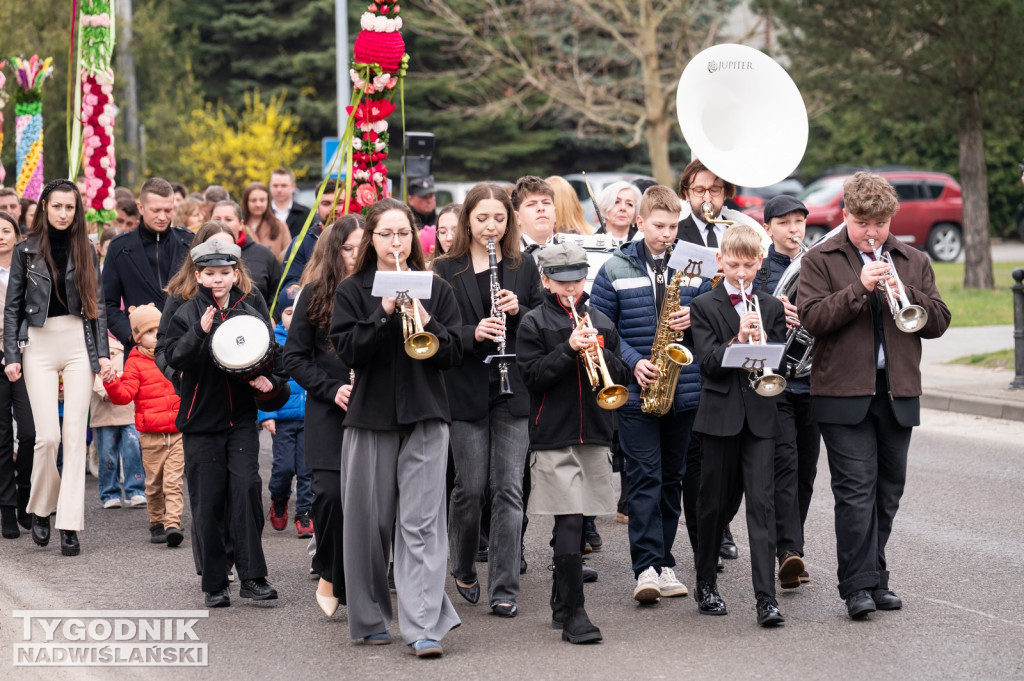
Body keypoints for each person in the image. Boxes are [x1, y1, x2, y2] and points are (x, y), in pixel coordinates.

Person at [797, 172, 950, 620]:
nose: (872, 231)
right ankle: (858, 586)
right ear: (846, 216)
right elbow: (811, 319)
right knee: (855, 492)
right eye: (864, 222)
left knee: (888, 492)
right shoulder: (821, 258)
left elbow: (938, 321)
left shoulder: (912, 258)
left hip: (897, 392)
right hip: (843, 395)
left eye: (880, 223)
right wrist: (858, 289)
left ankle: (875, 574)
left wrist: (905, 290)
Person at [330, 198, 461, 656]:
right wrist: (382, 312)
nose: (395, 242)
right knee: (368, 524)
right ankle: (368, 616)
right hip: (370, 417)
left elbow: (452, 354)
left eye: (403, 233)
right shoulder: (351, 290)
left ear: (413, 237)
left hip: (426, 414)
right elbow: (348, 352)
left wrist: (426, 320)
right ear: (371, 239)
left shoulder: (436, 288)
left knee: (422, 524)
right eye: (385, 234)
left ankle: (423, 624)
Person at [589, 185, 710, 603]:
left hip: (684, 391)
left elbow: (715, 322)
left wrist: (697, 316)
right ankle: (645, 569)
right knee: (644, 479)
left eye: (673, 226)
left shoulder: (693, 264)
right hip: (638, 392)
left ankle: (665, 562)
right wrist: (632, 361)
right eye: (659, 226)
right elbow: (601, 327)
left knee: (672, 481)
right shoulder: (614, 267)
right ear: (639, 223)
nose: (667, 234)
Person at [433, 183, 542, 618]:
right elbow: (438, 333)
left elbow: (542, 321)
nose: (491, 226)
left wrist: (521, 313)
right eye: (482, 218)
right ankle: (461, 564)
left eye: (499, 218)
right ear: (467, 221)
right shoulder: (445, 268)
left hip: (511, 388)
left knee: (509, 490)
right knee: (470, 488)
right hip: (465, 387)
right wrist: (471, 333)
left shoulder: (523, 265)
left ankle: (504, 586)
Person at [160, 238, 286, 607]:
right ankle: (215, 582)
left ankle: (253, 577)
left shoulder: (249, 309)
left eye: (225, 273)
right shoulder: (186, 311)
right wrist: (199, 331)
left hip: (241, 418)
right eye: (210, 274)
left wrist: (271, 382)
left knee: (247, 489)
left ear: (235, 274)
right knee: (208, 500)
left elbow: (274, 357)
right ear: (198, 275)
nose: (218, 280)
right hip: (200, 420)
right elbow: (175, 359)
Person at [517, 242, 631, 644]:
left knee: (582, 520)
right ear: (546, 281)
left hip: (596, 431)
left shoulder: (599, 318)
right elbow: (532, 377)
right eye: (563, 281)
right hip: (553, 435)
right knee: (568, 518)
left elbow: (619, 374)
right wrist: (568, 349)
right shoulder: (533, 322)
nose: (572, 288)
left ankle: (560, 602)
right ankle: (575, 615)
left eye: (579, 280)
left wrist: (598, 346)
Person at [3, 179, 115, 557]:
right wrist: (12, 356)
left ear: (76, 210)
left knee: (74, 439)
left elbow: (95, 305)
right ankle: (39, 507)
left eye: (70, 207)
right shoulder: (26, 251)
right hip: (37, 343)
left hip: (78, 341)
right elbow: (13, 308)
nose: (64, 213)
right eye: (57, 207)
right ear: (44, 208)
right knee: (46, 436)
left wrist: (102, 354)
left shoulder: (87, 249)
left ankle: (68, 523)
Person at [689, 223, 788, 627]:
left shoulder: (772, 307)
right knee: (712, 505)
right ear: (720, 261)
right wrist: (736, 339)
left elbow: (778, 360)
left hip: (761, 417)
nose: (742, 273)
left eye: (749, 265)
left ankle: (766, 598)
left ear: (760, 262)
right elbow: (708, 364)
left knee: (762, 507)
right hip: (719, 417)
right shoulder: (704, 305)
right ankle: (706, 583)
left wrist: (760, 340)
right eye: (733, 265)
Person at [676, 158, 760, 564]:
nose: (706, 198)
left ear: (725, 193)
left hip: (733, 349)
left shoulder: (739, 229)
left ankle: (723, 523)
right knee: (701, 461)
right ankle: (705, 539)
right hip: (691, 353)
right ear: (686, 193)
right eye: (698, 190)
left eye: (714, 190)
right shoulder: (676, 233)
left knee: (736, 463)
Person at [282, 214, 363, 617]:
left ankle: (358, 578)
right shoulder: (314, 293)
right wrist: (331, 389)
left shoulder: (383, 291)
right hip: (328, 410)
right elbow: (293, 356)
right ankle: (330, 570)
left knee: (367, 500)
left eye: (360, 247)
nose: (354, 255)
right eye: (347, 248)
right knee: (330, 496)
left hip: (374, 410)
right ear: (335, 252)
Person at [753, 195, 819, 588]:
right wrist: (770, 306)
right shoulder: (760, 271)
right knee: (786, 466)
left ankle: (791, 546)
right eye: (785, 223)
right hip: (775, 381)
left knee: (807, 473)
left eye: (799, 222)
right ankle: (789, 552)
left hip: (813, 380)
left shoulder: (819, 264)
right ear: (768, 229)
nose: (795, 230)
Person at [103, 303, 185, 547]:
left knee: (173, 481)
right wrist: (111, 382)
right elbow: (125, 395)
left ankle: (172, 524)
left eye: (160, 330)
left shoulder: (174, 355)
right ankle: (156, 521)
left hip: (178, 431)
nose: (156, 336)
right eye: (150, 332)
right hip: (151, 434)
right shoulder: (135, 362)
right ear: (138, 336)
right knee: (153, 484)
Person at [102, 177, 195, 347]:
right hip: (139, 350)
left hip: (183, 347)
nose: (162, 217)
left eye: (168, 210)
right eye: (156, 210)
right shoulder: (119, 248)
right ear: (141, 207)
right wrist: (132, 335)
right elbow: (107, 303)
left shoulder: (189, 243)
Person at [260, 285, 312, 539]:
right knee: (283, 467)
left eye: (298, 311)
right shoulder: (273, 341)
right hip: (281, 417)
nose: (293, 317)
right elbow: (263, 381)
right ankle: (279, 498)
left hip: (309, 418)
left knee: (306, 468)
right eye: (288, 312)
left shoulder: (311, 337)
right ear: (279, 315)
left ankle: (305, 512)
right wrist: (265, 414)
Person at [0, 211, 35, 538]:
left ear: (17, 233)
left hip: (26, 354)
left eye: (6, 229)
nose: (1, 235)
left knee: (30, 431)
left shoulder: (30, 267)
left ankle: (25, 491)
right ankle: (7, 506)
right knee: (0, 438)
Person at [89, 335, 146, 509]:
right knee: (107, 452)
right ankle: (109, 492)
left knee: (133, 448)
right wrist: (104, 390)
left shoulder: (131, 338)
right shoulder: (96, 337)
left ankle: (135, 490)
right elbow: (89, 369)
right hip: (104, 404)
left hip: (128, 403)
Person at [210, 200, 281, 304]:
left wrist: (272, 317)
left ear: (241, 224)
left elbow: (277, 293)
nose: (222, 224)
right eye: (217, 219)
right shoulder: (198, 255)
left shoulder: (264, 255)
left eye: (228, 219)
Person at [280, 179, 343, 288]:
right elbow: (289, 284)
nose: (333, 209)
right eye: (326, 203)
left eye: (339, 202)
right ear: (317, 208)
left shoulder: (360, 240)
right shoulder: (301, 243)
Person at [243, 181, 291, 261]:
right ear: (246, 202)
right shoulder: (239, 226)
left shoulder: (280, 226)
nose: (258, 204)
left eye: (262, 200)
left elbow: (288, 254)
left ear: (268, 202)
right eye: (253, 200)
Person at [512, 176, 556, 253]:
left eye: (546, 203)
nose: (541, 208)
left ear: (555, 213)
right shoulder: (507, 256)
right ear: (517, 217)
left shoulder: (576, 250)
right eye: (531, 204)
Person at [269, 167, 311, 238]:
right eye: (275, 185)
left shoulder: (305, 214)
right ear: (270, 186)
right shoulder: (262, 213)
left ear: (293, 187)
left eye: (284, 185)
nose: (279, 189)